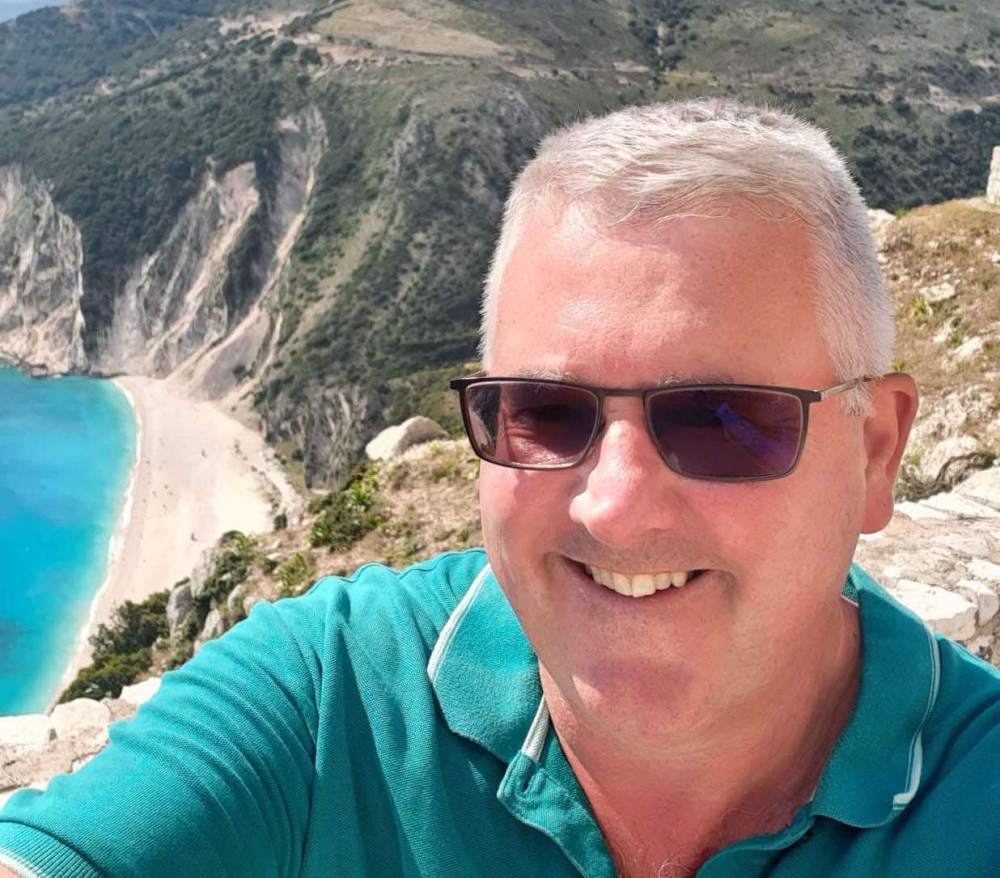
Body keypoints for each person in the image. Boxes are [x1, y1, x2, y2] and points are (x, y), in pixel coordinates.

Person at [2, 99, 999, 878]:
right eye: (546, 413)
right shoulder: (333, 696)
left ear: (876, 453)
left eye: (719, 418)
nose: (612, 505)